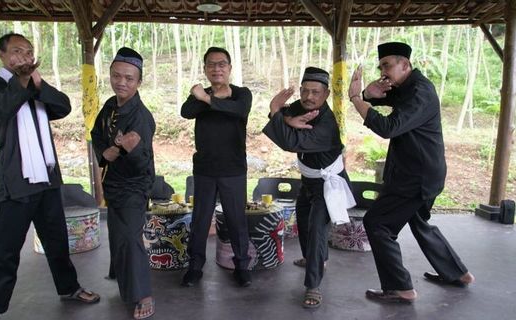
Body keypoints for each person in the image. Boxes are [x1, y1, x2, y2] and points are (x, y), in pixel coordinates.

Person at [0, 33, 100, 320]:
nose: (24, 57)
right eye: (17, 51)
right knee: (6, 250)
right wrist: (22, 81)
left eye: (29, 51)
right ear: (2, 56)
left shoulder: (34, 86)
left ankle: (69, 288)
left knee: (57, 242)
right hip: (16, 183)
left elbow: (63, 106)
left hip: (46, 179)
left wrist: (37, 83)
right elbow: (0, 114)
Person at [348, 42, 475, 303]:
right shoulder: (406, 87)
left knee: (377, 223)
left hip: (416, 177)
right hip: (421, 172)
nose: (383, 71)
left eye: (387, 66)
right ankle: (458, 274)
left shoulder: (420, 91)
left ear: (405, 65)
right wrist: (370, 93)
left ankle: (400, 288)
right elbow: (385, 97)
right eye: (381, 66)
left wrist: (357, 100)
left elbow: (388, 127)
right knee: (417, 220)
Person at [263, 67, 356, 308]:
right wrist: (285, 117)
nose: (308, 96)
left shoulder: (326, 123)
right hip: (308, 181)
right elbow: (283, 119)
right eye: (305, 90)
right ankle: (315, 259)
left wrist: (276, 111)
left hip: (327, 185)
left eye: (315, 92)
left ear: (325, 94)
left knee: (316, 230)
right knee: (303, 221)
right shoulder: (300, 107)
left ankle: (313, 285)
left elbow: (290, 141)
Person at [91, 47, 156, 320]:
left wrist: (119, 151)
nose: (122, 82)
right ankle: (120, 273)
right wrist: (111, 150)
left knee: (130, 237)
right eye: (116, 76)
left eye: (129, 78)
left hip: (134, 184)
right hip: (114, 181)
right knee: (117, 232)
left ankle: (143, 294)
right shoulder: (109, 105)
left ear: (139, 81)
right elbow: (97, 134)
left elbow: (141, 163)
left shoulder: (142, 117)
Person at [180, 47, 253, 287]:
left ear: (230, 68)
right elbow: (186, 111)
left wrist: (207, 99)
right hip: (205, 169)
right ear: (205, 69)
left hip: (233, 169)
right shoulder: (200, 94)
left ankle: (241, 265)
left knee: (236, 220)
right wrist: (205, 97)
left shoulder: (242, 94)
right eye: (211, 64)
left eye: (221, 64)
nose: (216, 68)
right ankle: (195, 266)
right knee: (200, 220)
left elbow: (239, 111)